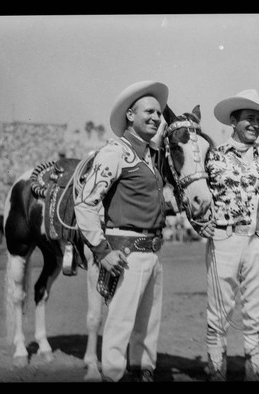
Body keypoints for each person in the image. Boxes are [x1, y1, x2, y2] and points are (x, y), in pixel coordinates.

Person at [74, 80, 169, 382]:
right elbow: (86, 202)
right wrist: (102, 252)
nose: (156, 117)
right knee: (118, 331)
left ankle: (143, 374)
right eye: (149, 112)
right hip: (126, 254)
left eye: (158, 113)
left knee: (146, 330)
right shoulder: (116, 152)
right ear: (130, 115)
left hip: (152, 254)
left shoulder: (148, 159)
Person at [198, 89, 259, 381]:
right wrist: (200, 224)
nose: (255, 124)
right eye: (249, 118)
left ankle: (253, 373)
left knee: (256, 315)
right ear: (233, 121)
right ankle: (216, 373)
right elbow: (195, 198)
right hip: (224, 241)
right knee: (218, 313)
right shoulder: (212, 158)